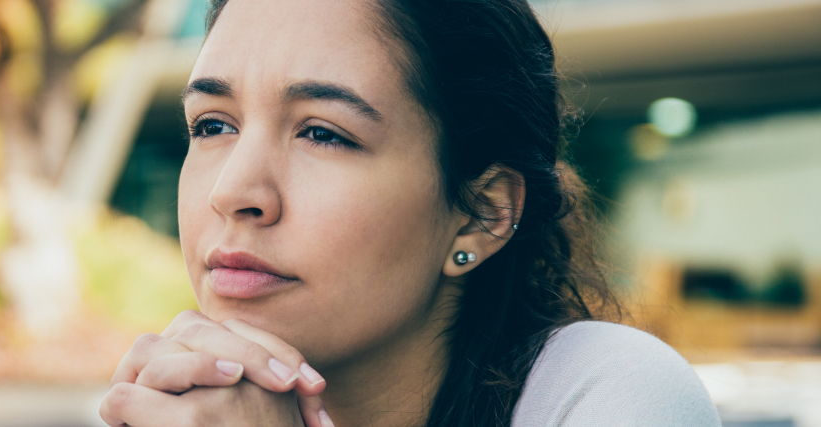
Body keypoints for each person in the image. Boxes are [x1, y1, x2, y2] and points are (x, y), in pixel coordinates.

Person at [98, 0, 721, 425]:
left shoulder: (605, 392)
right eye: (212, 125)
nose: (234, 190)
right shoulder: (177, 406)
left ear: (481, 212)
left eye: (323, 134)